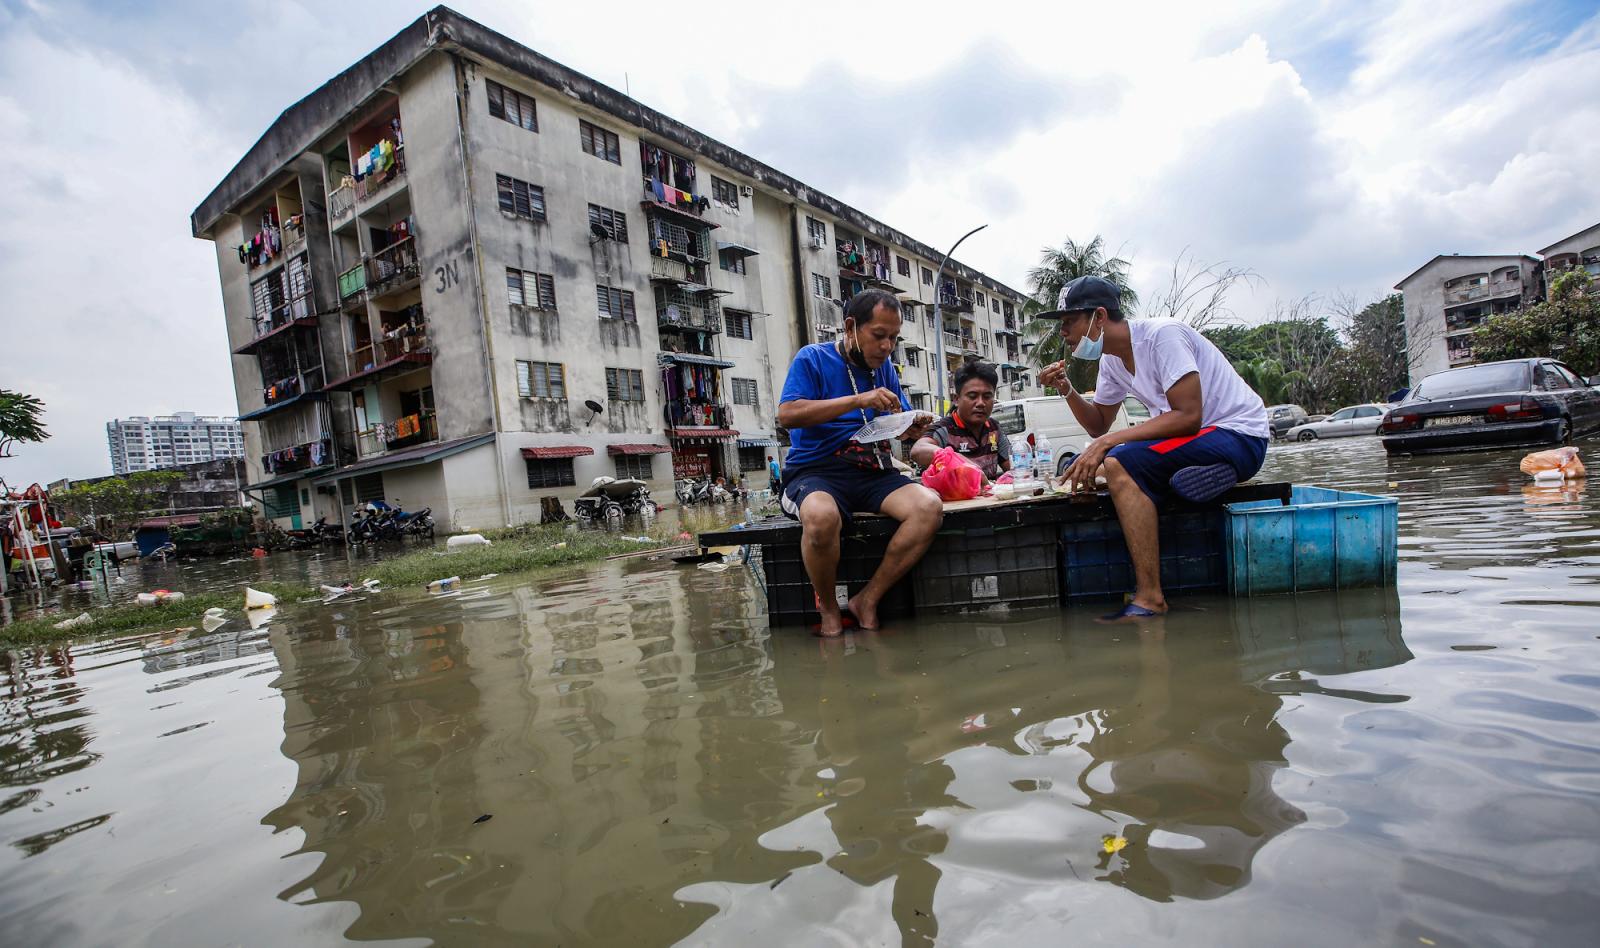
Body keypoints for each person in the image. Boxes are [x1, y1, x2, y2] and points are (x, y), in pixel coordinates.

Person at [1038, 276, 1270, 620]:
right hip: (1198, 441)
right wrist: (1066, 388)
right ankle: (1196, 476)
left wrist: (1106, 445)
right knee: (1093, 468)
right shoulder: (1113, 361)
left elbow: (1188, 417)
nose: (1063, 332)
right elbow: (1098, 422)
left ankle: (1150, 598)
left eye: (1069, 322)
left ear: (1099, 317)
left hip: (1238, 435)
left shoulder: (1163, 335)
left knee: (1117, 463)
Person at [777, 289, 943, 636]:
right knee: (821, 517)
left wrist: (909, 427)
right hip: (816, 471)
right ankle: (829, 612)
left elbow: (892, 426)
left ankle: (867, 599)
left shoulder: (884, 370)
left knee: (928, 507)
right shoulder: (813, 359)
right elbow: (788, 414)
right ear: (851, 326)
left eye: (894, 338)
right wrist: (858, 399)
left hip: (872, 472)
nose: (886, 347)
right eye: (879, 335)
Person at [910, 360, 1012, 479]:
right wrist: (959, 461)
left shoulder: (994, 429)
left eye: (987, 397)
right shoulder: (945, 430)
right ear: (956, 399)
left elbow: (1014, 467)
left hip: (988, 495)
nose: (980, 403)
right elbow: (917, 450)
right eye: (972, 396)